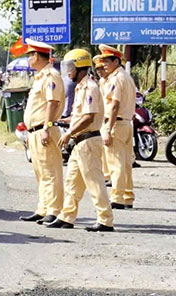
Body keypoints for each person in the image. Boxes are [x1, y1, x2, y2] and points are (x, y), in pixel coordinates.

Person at [45, 49, 114, 232]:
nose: (68, 72)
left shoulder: (90, 87)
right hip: (80, 142)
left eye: (70, 67)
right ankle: (66, 217)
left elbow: (89, 117)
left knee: (95, 182)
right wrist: (64, 122)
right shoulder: (81, 86)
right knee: (72, 183)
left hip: (88, 141)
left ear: (80, 67)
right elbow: (80, 115)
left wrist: (68, 134)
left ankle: (105, 220)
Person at [18, 39, 65, 224]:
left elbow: (52, 103)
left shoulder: (50, 76)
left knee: (50, 172)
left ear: (36, 55)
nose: (29, 59)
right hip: (35, 132)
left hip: (44, 130)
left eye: (30, 55)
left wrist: (47, 127)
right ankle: (43, 208)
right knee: (40, 172)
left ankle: (54, 210)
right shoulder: (40, 76)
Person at [98, 44, 137, 209]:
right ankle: (127, 196)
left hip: (116, 122)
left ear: (116, 61)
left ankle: (117, 198)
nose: (104, 64)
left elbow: (114, 105)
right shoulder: (126, 77)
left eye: (107, 60)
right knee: (126, 163)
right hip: (127, 123)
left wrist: (108, 128)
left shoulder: (116, 78)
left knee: (116, 164)